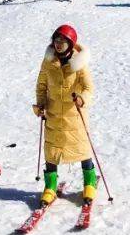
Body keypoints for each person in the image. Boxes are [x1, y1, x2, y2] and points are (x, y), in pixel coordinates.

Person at [34, 24, 97, 206]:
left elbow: (88, 88)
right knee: (52, 151)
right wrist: (41, 104)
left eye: (63, 41)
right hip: (53, 114)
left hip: (74, 115)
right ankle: (50, 186)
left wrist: (82, 99)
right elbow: (41, 85)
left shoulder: (79, 63)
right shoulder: (48, 61)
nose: (59, 44)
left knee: (82, 148)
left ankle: (89, 182)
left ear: (71, 43)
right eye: (57, 40)